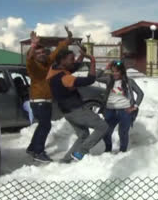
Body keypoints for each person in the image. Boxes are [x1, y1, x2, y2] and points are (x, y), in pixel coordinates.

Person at [46, 47, 108, 163]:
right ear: (62, 60)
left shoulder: (53, 71)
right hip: (77, 110)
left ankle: (66, 160)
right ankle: (81, 152)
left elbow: (74, 66)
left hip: (67, 112)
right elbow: (90, 79)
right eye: (71, 59)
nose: (73, 61)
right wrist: (93, 61)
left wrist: (82, 55)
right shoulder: (65, 77)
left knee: (83, 134)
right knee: (102, 126)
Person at [26, 26, 73, 162]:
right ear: (35, 54)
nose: (41, 54)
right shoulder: (33, 66)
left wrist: (67, 40)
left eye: (42, 52)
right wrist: (33, 45)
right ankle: (38, 151)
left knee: (43, 125)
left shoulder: (47, 62)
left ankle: (32, 148)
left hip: (45, 101)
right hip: (39, 101)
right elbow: (29, 59)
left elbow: (57, 51)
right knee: (45, 125)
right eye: (38, 53)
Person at [96, 60, 144, 152]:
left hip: (125, 111)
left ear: (122, 71)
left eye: (117, 71)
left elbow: (140, 93)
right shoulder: (109, 79)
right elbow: (96, 77)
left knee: (123, 133)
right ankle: (108, 149)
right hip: (110, 111)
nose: (114, 74)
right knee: (106, 132)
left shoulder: (129, 81)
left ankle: (122, 151)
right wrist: (105, 68)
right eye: (113, 71)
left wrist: (135, 106)